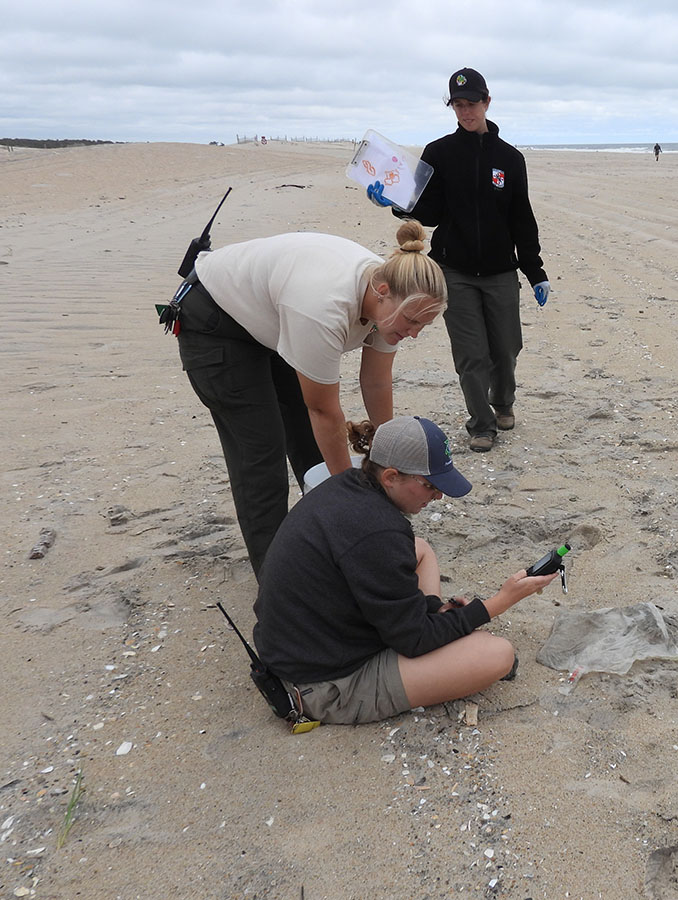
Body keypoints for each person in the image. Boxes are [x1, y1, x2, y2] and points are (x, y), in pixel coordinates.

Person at [174, 221, 447, 577]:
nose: (411, 335)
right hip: (214, 319)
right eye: (410, 322)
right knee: (261, 449)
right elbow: (324, 411)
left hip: (271, 319)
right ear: (381, 291)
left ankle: (329, 540)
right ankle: (277, 580)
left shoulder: (390, 302)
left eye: (422, 327)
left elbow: (376, 382)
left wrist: (386, 455)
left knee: (309, 444)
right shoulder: (324, 306)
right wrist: (355, 493)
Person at [251, 415, 559, 724]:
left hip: (304, 641)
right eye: (429, 485)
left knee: (421, 549)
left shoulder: (348, 485)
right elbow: (415, 641)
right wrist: (499, 602)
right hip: (320, 684)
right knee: (497, 655)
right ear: (390, 477)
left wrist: (436, 611)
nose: (438, 495)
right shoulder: (378, 533)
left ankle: (436, 618)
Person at [373, 67, 549, 454]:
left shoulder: (510, 159)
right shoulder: (439, 152)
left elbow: (522, 217)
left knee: (506, 349)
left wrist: (534, 270)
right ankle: (481, 424)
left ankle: (503, 403)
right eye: (458, 105)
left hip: (502, 270)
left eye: (472, 104)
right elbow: (429, 210)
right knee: (471, 354)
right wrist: (397, 204)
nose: (465, 111)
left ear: (487, 102)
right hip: (454, 270)